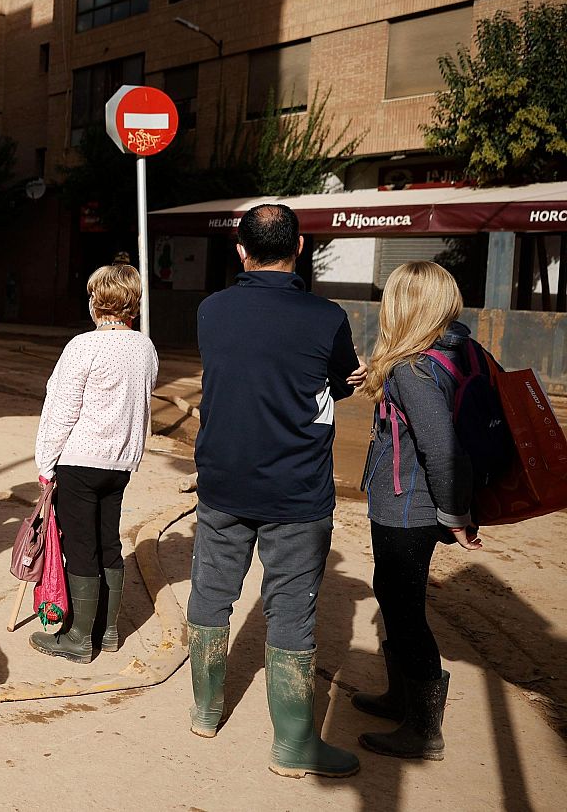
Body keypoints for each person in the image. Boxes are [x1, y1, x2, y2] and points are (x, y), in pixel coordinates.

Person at [186, 203, 364, 779]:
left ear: (240, 250)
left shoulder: (211, 311)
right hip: (296, 490)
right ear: (302, 247)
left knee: (211, 592)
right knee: (291, 610)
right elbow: (339, 384)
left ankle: (205, 712)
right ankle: (292, 746)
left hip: (222, 482)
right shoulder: (327, 318)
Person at [355, 261, 483, 762]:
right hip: (421, 504)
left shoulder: (412, 368)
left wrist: (455, 514)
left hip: (407, 506)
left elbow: (439, 445)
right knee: (393, 597)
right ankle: (400, 698)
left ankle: (424, 730)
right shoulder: (463, 349)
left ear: (404, 305)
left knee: (404, 610)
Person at [30, 264, 158, 661]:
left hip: (80, 460)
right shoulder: (145, 348)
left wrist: (45, 462)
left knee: (81, 546)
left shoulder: (83, 346)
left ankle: (79, 637)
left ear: (96, 302)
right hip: (119, 463)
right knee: (108, 543)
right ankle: (108, 629)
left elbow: (61, 410)